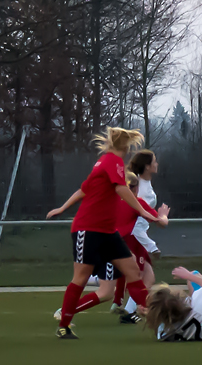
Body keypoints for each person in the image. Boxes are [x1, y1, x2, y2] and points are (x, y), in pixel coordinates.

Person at [46, 127, 161, 339]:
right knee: (80, 278)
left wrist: (63, 208)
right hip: (87, 229)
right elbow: (121, 189)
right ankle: (64, 326)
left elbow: (84, 190)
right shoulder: (111, 162)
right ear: (125, 146)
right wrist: (144, 211)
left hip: (108, 232)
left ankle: (158, 319)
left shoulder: (106, 162)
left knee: (132, 271)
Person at [53, 172, 169, 321]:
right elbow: (161, 223)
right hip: (112, 248)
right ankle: (66, 311)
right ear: (135, 188)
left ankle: (134, 310)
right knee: (106, 291)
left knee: (145, 275)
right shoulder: (135, 202)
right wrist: (163, 214)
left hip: (103, 244)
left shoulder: (109, 201)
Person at [113, 149, 160, 321]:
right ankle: (130, 311)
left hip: (135, 236)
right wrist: (151, 246)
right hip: (134, 236)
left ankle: (127, 310)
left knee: (143, 276)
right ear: (147, 167)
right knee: (142, 277)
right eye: (154, 161)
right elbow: (139, 222)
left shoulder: (141, 184)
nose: (157, 164)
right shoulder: (143, 191)